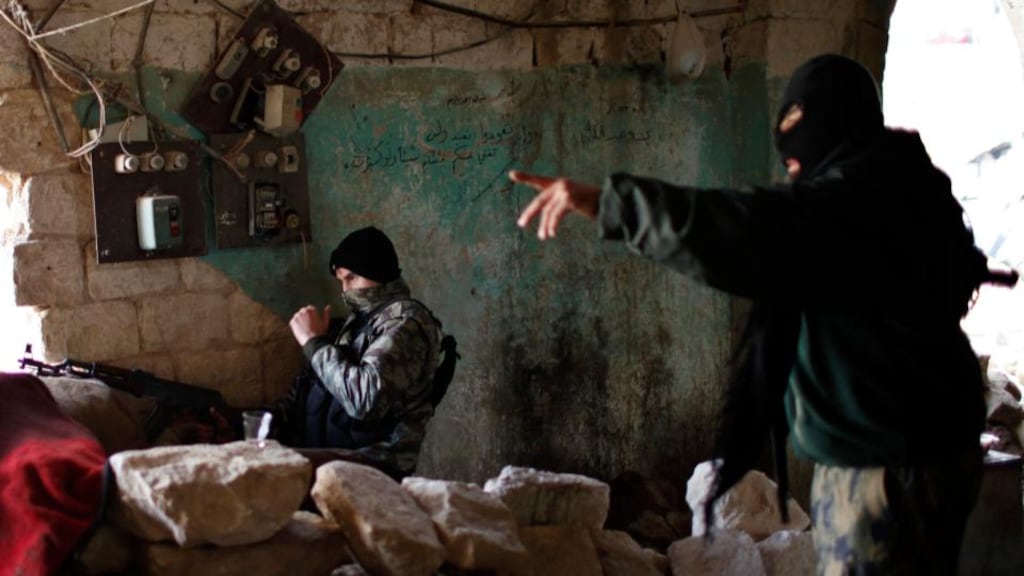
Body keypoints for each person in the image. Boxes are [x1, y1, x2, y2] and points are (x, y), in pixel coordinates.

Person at [509, 54, 1017, 574]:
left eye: (799, 145)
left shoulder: (858, 203)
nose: (790, 164)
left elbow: (747, 228)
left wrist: (613, 203)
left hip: (889, 467)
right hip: (916, 452)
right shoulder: (902, 185)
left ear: (833, 128)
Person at [282, 226, 453, 480]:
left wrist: (314, 344)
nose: (345, 291)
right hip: (335, 455)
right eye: (341, 281)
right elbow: (308, 397)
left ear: (379, 273)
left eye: (352, 278)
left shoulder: (406, 323)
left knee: (282, 473)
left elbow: (364, 401)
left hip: (375, 465)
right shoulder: (358, 322)